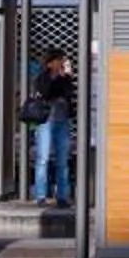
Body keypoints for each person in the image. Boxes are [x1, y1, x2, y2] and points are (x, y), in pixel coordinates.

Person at [28, 52, 76, 207]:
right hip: (46, 122)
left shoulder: (65, 78)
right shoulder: (42, 78)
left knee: (62, 160)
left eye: (62, 61)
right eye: (58, 60)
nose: (61, 63)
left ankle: (62, 196)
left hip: (62, 121)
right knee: (43, 158)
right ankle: (41, 195)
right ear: (50, 63)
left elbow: (69, 94)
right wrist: (56, 77)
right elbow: (46, 92)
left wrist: (66, 77)